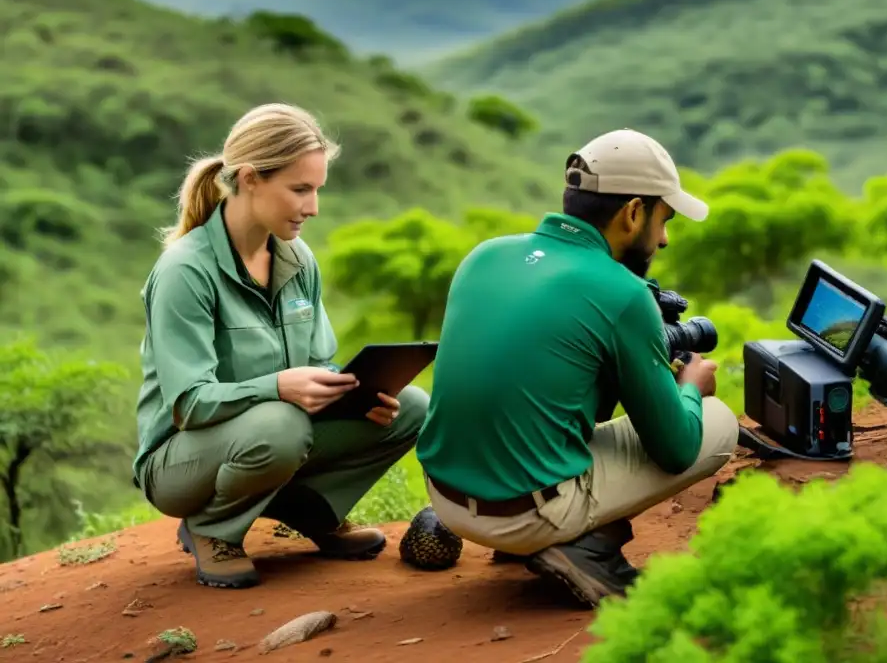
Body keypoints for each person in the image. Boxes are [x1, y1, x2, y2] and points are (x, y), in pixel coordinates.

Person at [415, 128, 740, 608]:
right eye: (664, 218)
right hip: (523, 515)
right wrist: (691, 389)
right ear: (633, 213)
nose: (665, 238)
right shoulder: (622, 292)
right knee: (719, 425)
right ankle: (577, 544)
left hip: (444, 496)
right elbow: (675, 449)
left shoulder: (484, 255)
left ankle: (536, 531)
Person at [131, 103, 429, 590]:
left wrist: (355, 390)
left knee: (410, 409)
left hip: (269, 434)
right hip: (179, 461)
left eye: (317, 189)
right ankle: (211, 529)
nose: (313, 207)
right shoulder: (185, 271)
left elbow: (315, 363)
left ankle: (308, 509)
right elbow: (188, 403)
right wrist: (277, 386)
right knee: (282, 425)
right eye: (300, 189)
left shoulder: (297, 258)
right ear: (250, 178)